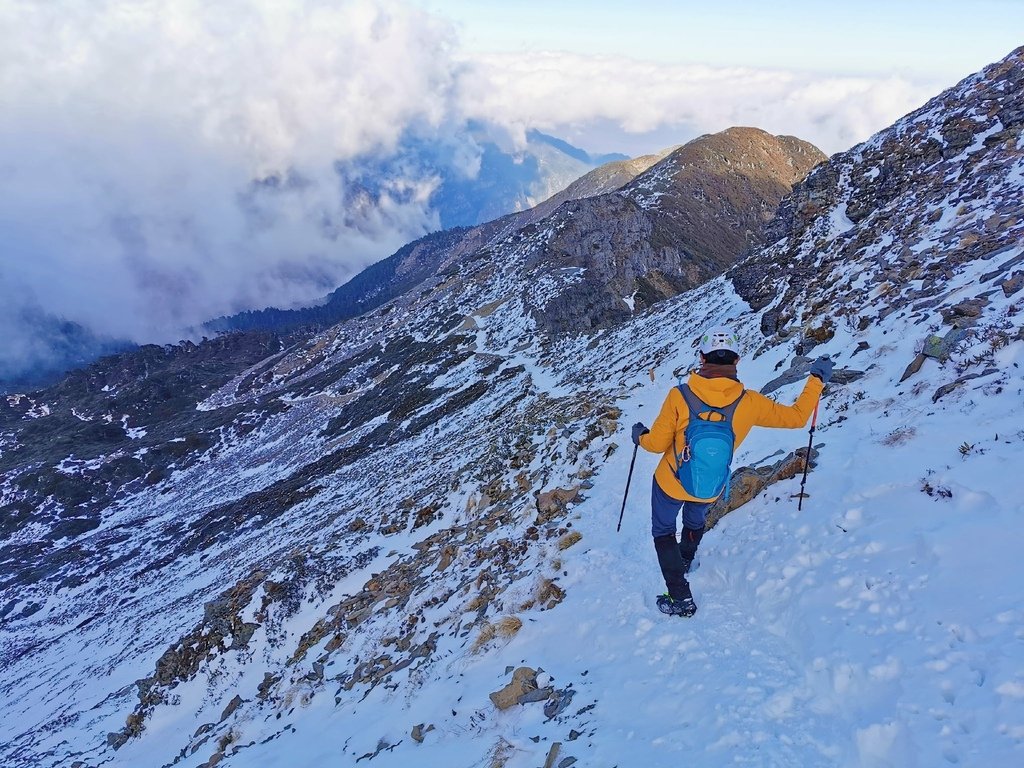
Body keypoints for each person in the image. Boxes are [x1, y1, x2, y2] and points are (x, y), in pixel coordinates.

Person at [631, 326, 833, 618]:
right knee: (695, 519)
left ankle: (680, 597)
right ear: (736, 361)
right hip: (710, 483)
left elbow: (656, 444)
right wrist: (816, 381)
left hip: (670, 481)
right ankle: (686, 558)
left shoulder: (679, 396)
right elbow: (797, 417)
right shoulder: (749, 403)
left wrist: (640, 436)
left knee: (663, 531)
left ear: (702, 358)